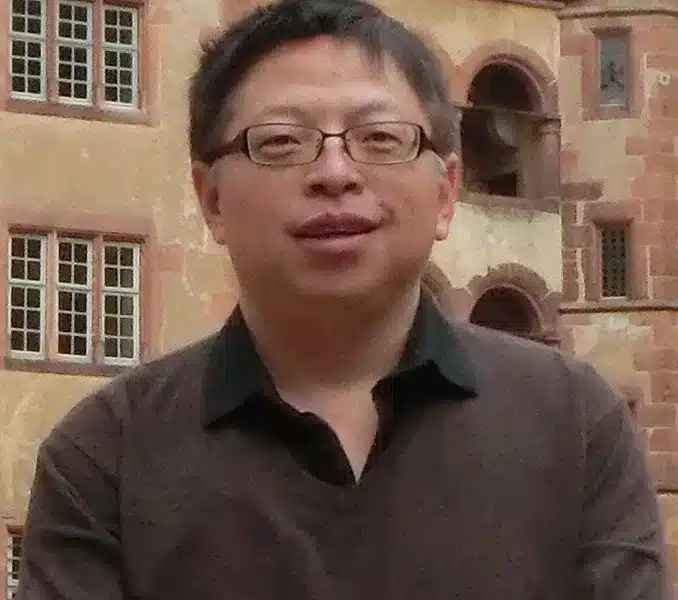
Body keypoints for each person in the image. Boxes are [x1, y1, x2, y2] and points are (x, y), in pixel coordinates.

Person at [16, 0, 670, 598]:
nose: (335, 173)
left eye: (380, 138)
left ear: (445, 192)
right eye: (280, 142)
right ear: (211, 199)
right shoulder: (106, 457)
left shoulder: (575, 424)